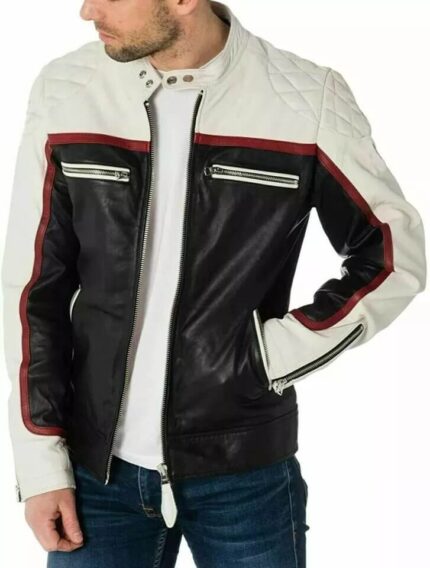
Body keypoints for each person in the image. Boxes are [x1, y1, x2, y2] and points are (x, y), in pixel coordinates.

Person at [1, 0, 426, 566]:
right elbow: (33, 289)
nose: (87, 10)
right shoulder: (68, 89)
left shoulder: (304, 98)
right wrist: (40, 465)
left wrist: (270, 356)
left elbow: (393, 253)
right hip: (94, 475)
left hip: (245, 474)